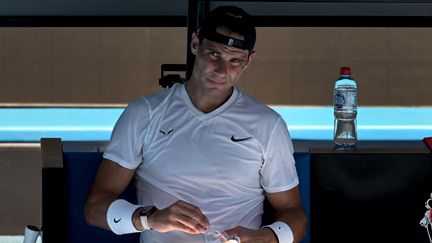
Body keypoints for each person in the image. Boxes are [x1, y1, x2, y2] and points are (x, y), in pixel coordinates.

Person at [84, 5, 307, 243]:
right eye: (214, 54)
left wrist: (266, 238)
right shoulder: (144, 114)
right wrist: (150, 219)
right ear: (195, 44)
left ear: (249, 61)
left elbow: (294, 215)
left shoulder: (268, 125)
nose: (222, 70)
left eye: (235, 60)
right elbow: (95, 208)